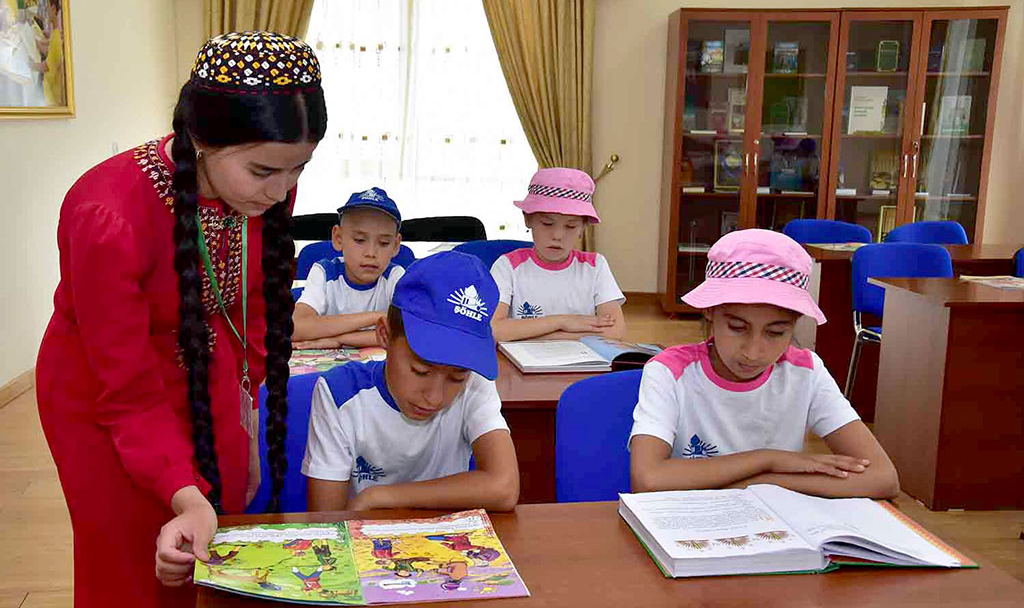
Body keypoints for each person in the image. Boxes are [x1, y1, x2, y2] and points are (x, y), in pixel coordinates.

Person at [34, 31, 326, 608]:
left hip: (205, 365)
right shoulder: (105, 213)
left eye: (299, 168)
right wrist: (183, 489)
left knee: (213, 553)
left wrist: (246, 419)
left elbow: (250, 310)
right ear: (202, 136)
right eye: (266, 171)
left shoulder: (264, 185)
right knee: (137, 575)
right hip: (101, 397)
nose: (283, 191)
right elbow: (128, 391)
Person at [629, 229, 899, 499]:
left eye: (776, 332)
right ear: (709, 311)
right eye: (737, 327)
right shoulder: (668, 372)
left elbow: (883, 478)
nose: (753, 352)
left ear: (795, 323)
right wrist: (768, 460)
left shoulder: (806, 372)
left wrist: (764, 481)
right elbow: (648, 478)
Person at [303, 252, 520, 512]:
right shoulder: (339, 393)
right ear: (384, 335)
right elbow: (328, 522)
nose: (435, 397)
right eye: (420, 371)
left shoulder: (474, 381)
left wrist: (378, 497)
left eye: (456, 377)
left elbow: (504, 487)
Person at [490, 168, 626, 341]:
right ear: (527, 219)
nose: (557, 235)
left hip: (582, 363)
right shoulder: (508, 266)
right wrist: (563, 321)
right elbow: (494, 330)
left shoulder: (595, 266)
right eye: (547, 223)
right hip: (522, 363)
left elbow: (615, 331)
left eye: (570, 226)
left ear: (583, 228)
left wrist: (536, 334)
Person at [292, 187, 404, 348]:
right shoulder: (324, 273)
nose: (371, 253)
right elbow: (296, 327)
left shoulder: (395, 276)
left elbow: (405, 333)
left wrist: (339, 340)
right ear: (338, 238)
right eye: (359, 240)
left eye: (384, 243)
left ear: (395, 245)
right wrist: (376, 317)